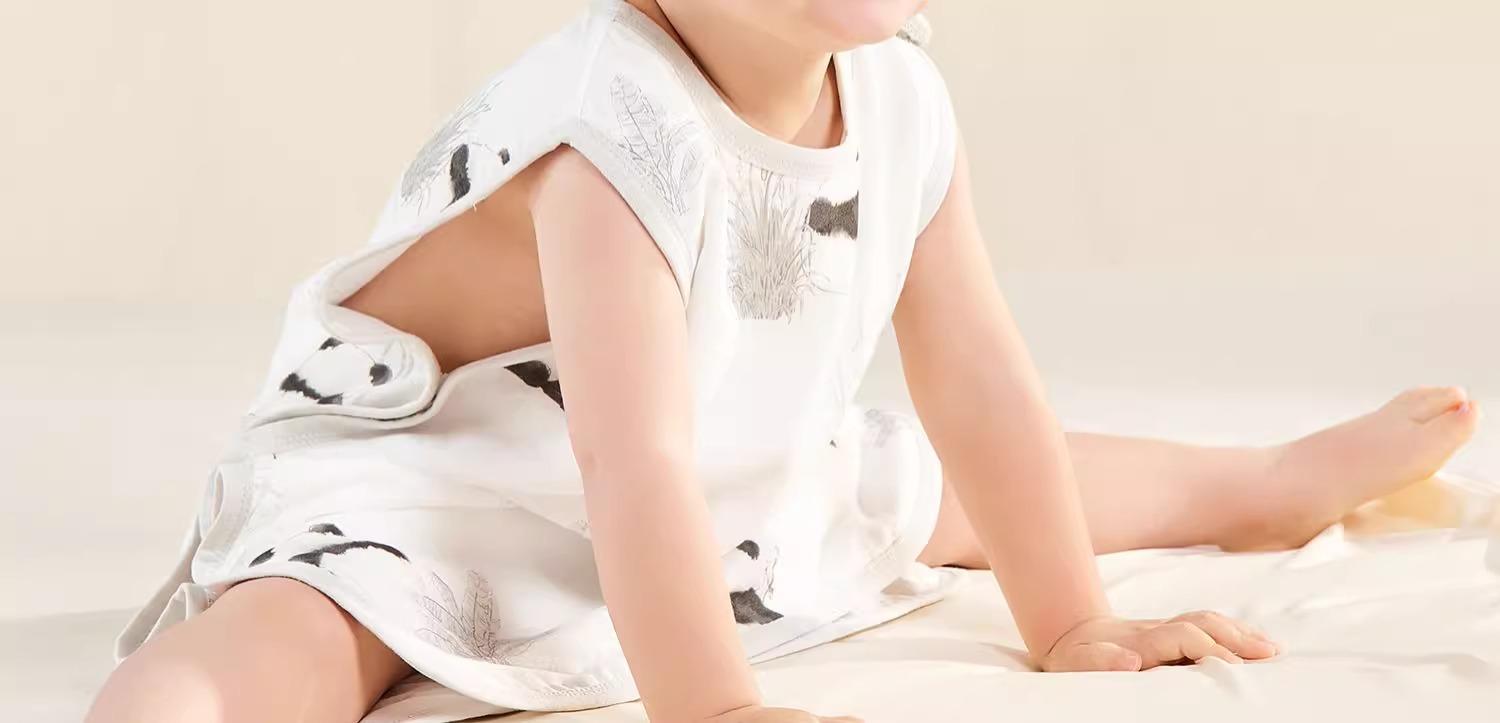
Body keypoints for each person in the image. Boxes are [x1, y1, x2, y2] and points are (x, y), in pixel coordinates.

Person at [86, 1, 1481, 722]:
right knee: (308, 632)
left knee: (918, 481)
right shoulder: (606, 126)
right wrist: (714, 707)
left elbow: (977, 376)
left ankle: (1258, 483)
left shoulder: (898, 90)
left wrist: (1069, 623)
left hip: (713, 468)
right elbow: (621, 455)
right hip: (443, 477)